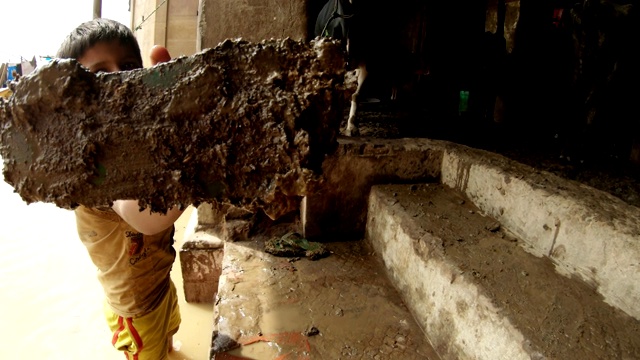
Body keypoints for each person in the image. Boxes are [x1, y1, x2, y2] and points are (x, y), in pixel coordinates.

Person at [56, 18, 184, 360]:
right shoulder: (95, 160)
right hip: (134, 308)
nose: (120, 78)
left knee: (171, 337)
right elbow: (147, 218)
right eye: (100, 74)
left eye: (128, 66)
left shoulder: (135, 139)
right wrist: (196, 154)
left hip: (159, 282)